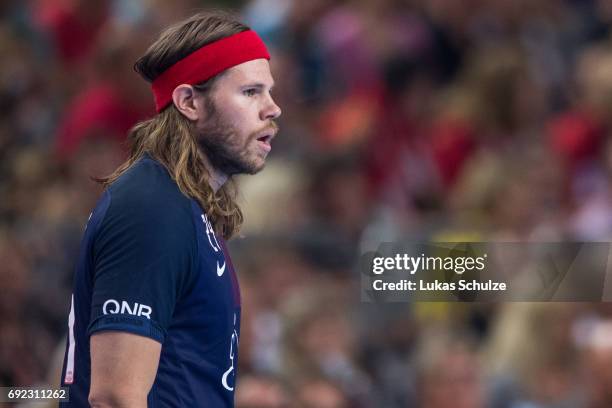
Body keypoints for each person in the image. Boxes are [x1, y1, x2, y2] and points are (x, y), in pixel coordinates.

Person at [59, 10, 281, 407]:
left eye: (269, 91)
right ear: (189, 101)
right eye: (250, 92)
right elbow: (114, 396)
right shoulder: (152, 208)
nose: (272, 108)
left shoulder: (180, 206)